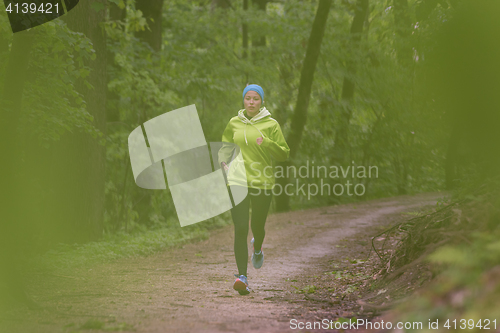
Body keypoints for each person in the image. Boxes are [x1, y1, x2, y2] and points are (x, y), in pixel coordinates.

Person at [218, 84, 290, 295]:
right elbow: (225, 146)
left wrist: (267, 142)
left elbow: (284, 153)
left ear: (262, 102)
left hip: (262, 181)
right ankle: (242, 277)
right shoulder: (234, 123)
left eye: (255, 99)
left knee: (257, 226)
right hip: (237, 180)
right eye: (248, 98)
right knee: (240, 227)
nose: (251, 102)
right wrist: (223, 162)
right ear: (243, 100)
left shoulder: (271, 124)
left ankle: (257, 246)